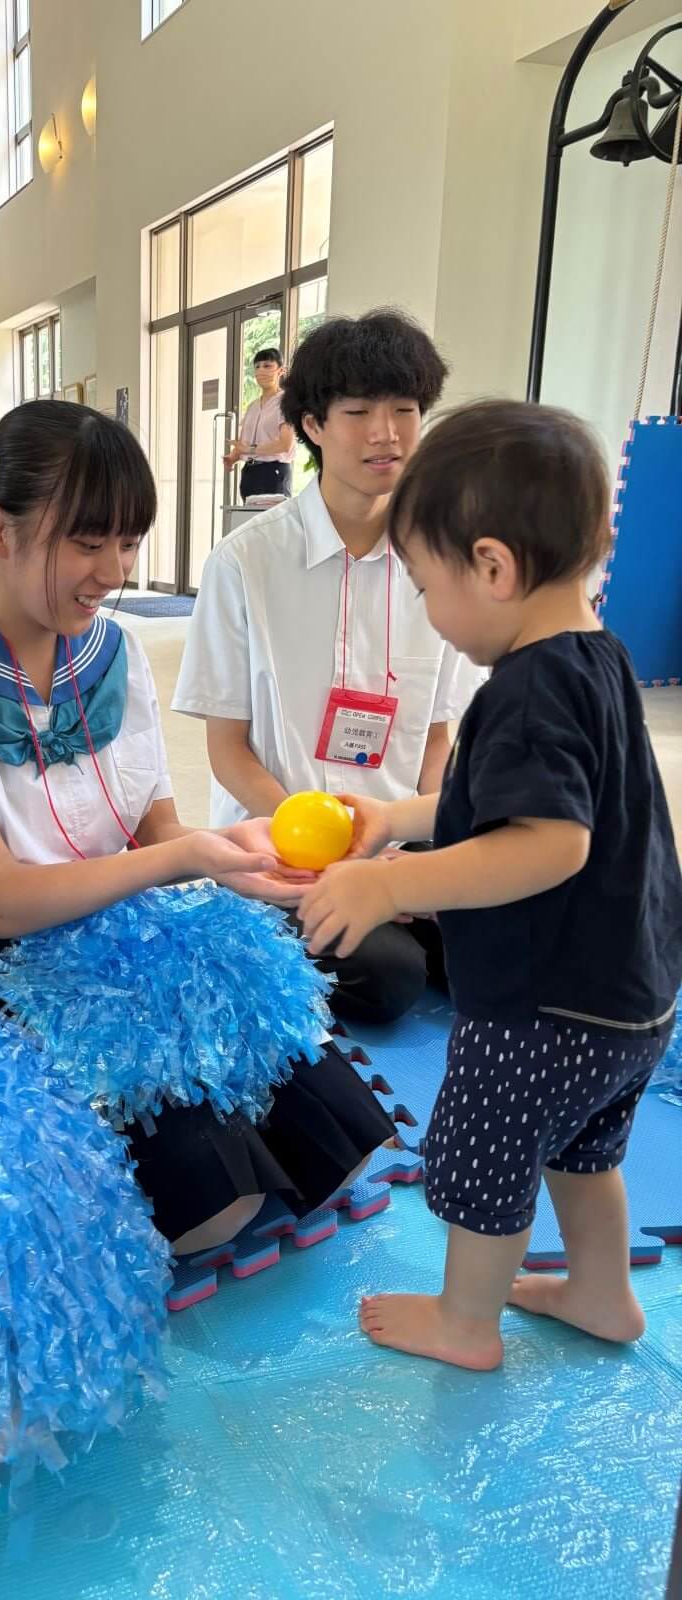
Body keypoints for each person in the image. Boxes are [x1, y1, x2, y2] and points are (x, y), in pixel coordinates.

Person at [0, 399, 394, 1257]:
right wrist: (186, 858)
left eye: (129, 542)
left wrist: (229, 858)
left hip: (118, 925)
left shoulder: (112, 649)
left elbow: (154, 823)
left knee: (342, 1148)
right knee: (210, 1213)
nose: (113, 570)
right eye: (86, 542)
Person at [298, 399, 682, 1370]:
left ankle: (465, 1323)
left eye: (428, 587)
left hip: (541, 1009)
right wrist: (397, 818)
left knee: (482, 1158)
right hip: (631, 1001)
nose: (429, 611)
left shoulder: (524, 690)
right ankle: (602, 1293)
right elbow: (501, 803)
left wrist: (391, 888)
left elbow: (547, 843)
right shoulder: (595, 660)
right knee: (583, 1153)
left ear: (494, 567)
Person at [173, 308, 485, 1024]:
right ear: (312, 424)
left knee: (512, 939)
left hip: (398, 835)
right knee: (389, 977)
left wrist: (429, 861)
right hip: (284, 845)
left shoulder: (443, 559)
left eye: (404, 410)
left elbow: (437, 742)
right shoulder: (245, 564)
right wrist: (322, 857)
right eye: (358, 412)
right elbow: (227, 751)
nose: (386, 433)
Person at [223, 346, 296, 501]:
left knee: (272, 516)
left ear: (281, 371)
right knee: (248, 515)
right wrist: (232, 457)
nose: (261, 371)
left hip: (273, 472)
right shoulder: (252, 407)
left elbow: (285, 445)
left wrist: (251, 449)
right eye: (257, 367)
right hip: (250, 473)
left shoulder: (286, 402)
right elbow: (244, 444)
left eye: (267, 366)